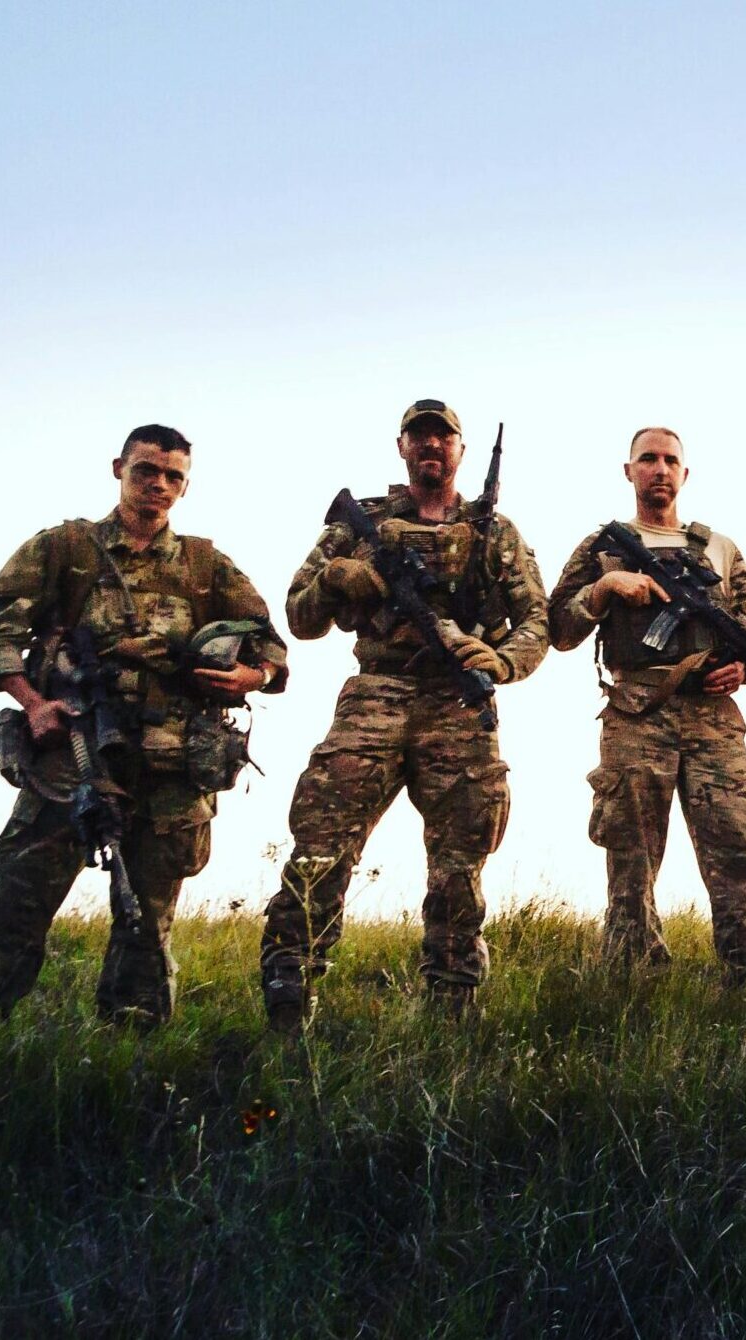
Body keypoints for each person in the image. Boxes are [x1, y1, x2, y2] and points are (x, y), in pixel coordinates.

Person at [0, 424, 288, 1034]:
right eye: (146, 471)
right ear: (119, 468)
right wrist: (34, 703)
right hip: (73, 758)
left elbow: (270, 644)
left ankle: (133, 1059)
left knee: (147, 925)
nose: (158, 485)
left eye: (173, 477)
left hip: (171, 770)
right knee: (15, 907)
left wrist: (251, 674)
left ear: (185, 487)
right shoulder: (65, 549)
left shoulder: (205, 564)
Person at [261, 399, 548, 1031]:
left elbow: (536, 622)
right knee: (320, 848)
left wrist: (498, 662)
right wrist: (339, 578)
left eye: (443, 438)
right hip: (375, 696)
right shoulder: (360, 522)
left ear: (460, 452)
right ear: (401, 447)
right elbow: (300, 618)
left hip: (458, 702)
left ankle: (451, 1006)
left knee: (459, 866)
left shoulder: (493, 531)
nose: (431, 448)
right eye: (419, 437)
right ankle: (289, 991)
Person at [548, 426, 746, 984]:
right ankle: (632, 981)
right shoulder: (604, 545)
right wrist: (603, 590)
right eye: (647, 459)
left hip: (713, 719)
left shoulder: (719, 549)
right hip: (635, 714)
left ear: (685, 473)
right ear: (628, 471)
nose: (659, 469)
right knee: (630, 856)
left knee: (736, 850)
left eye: (670, 460)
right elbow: (557, 627)